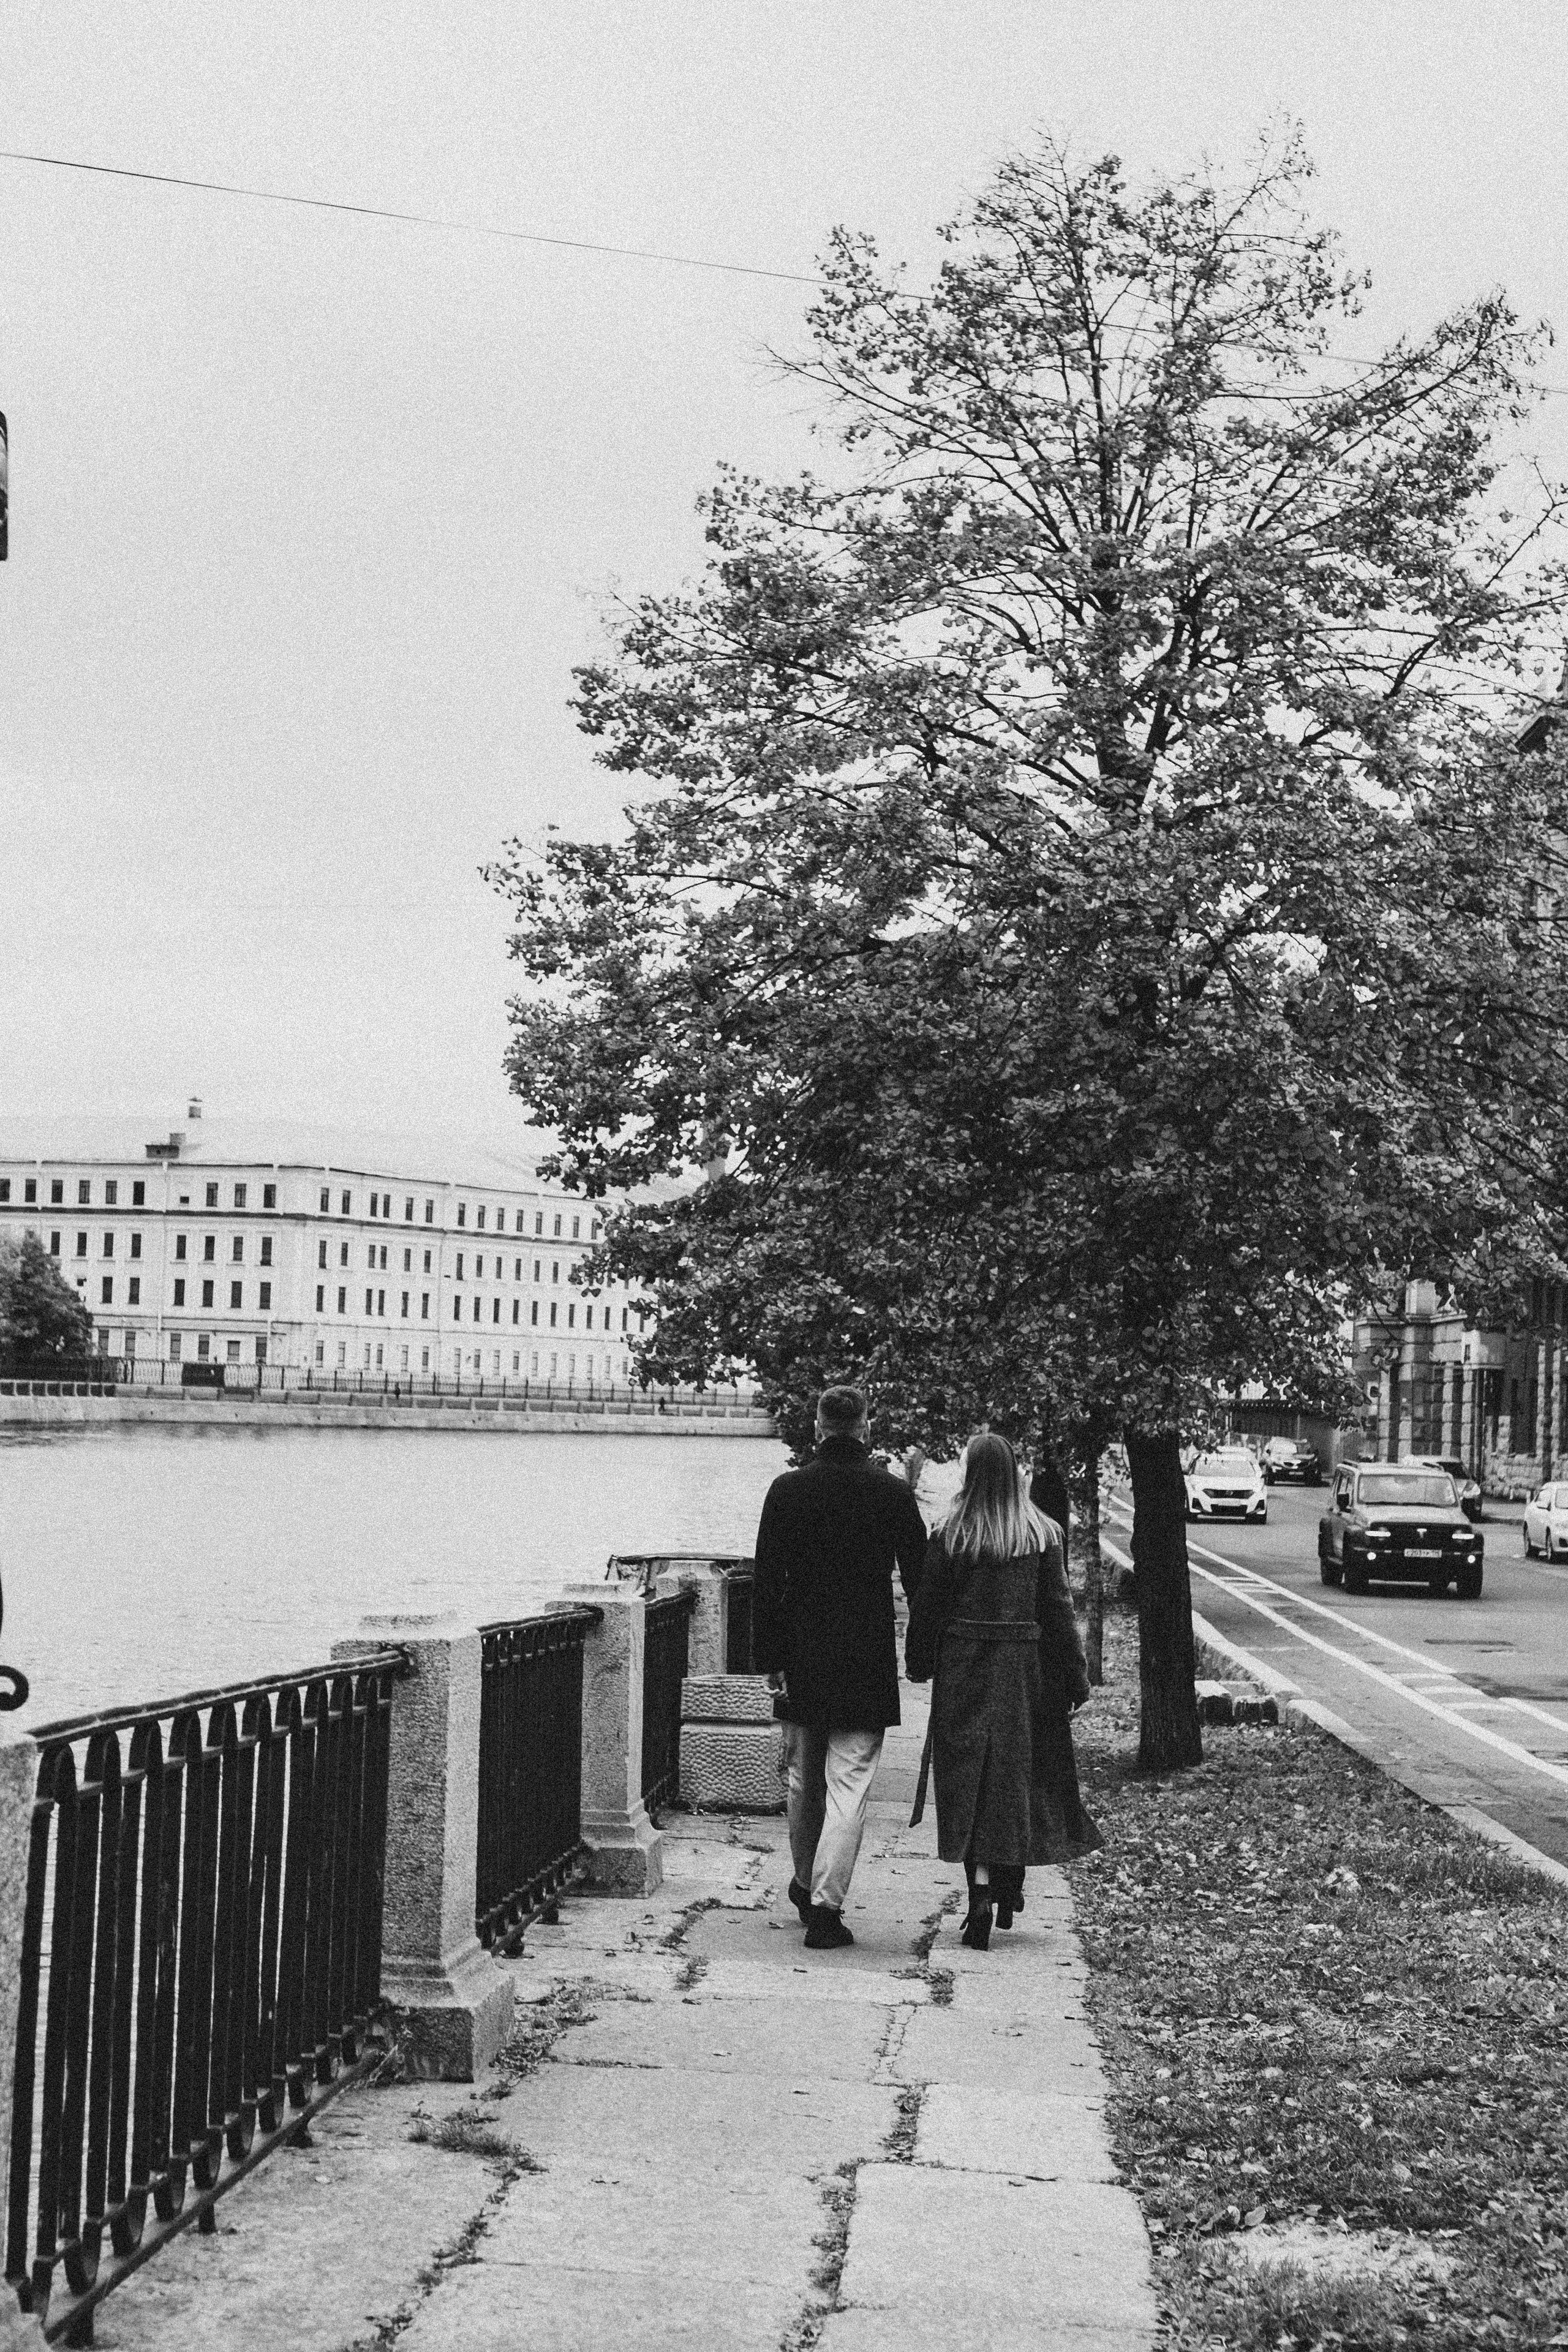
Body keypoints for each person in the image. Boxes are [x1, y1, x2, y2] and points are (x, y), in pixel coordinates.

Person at [904, 1430, 1101, 1951]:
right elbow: (1059, 1612)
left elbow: (927, 1606)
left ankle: (980, 1890)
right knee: (1015, 1777)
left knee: (967, 1779)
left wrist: (918, 1662)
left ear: (970, 1473)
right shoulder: (1040, 1534)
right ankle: (1009, 1881)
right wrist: (1075, 1677)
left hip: (964, 1670)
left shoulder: (950, 1533)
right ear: (1015, 1472)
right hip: (1024, 1673)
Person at [753, 1384, 929, 1950]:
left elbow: (766, 1580)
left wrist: (770, 1659)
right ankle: (826, 1909)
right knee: (849, 1785)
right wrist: (922, 1653)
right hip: (865, 1655)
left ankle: (805, 1884)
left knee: (804, 1781)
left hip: (802, 1653)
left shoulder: (787, 1490)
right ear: (866, 1428)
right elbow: (920, 1580)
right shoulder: (893, 1493)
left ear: (818, 1427)